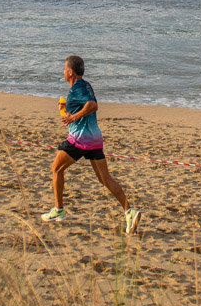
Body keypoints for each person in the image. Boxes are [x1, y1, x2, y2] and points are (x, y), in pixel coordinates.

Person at [42, 55, 141, 235]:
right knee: (104, 178)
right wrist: (64, 112)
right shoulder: (84, 85)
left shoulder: (78, 87)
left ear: (70, 72)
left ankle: (59, 210)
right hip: (94, 138)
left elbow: (92, 105)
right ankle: (129, 211)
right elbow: (83, 107)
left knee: (56, 168)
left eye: (64, 68)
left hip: (80, 140)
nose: (63, 71)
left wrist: (73, 117)